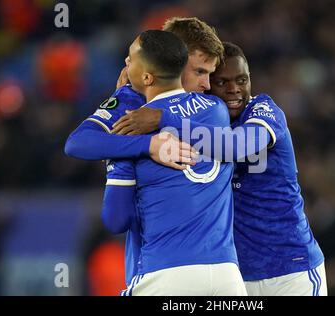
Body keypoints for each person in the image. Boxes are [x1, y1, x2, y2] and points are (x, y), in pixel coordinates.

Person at [113, 42, 328, 296]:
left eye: (242, 80)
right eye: (222, 82)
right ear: (205, 86)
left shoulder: (263, 111)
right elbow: (134, 120)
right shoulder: (193, 122)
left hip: (291, 270)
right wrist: (129, 90)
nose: (234, 89)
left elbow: (235, 146)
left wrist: (163, 119)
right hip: (236, 277)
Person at [64, 17, 226, 290]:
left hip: (161, 269)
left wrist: (157, 122)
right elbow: (77, 143)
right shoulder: (132, 98)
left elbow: (115, 218)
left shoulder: (211, 108)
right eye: (199, 72)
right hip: (213, 267)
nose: (207, 84)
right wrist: (148, 146)